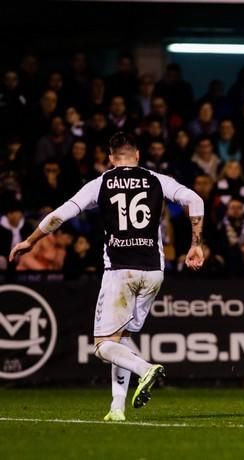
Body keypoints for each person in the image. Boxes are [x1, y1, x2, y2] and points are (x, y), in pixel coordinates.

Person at [9, 132, 205, 421]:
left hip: (119, 271)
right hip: (153, 271)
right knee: (121, 338)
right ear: (137, 154)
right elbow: (195, 199)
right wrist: (196, 243)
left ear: (111, 158)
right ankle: (117, 408)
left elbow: (60, 215)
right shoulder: (157, 179)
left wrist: (31, 240)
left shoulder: (101, 182)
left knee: (103, 346)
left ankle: (144, 368)